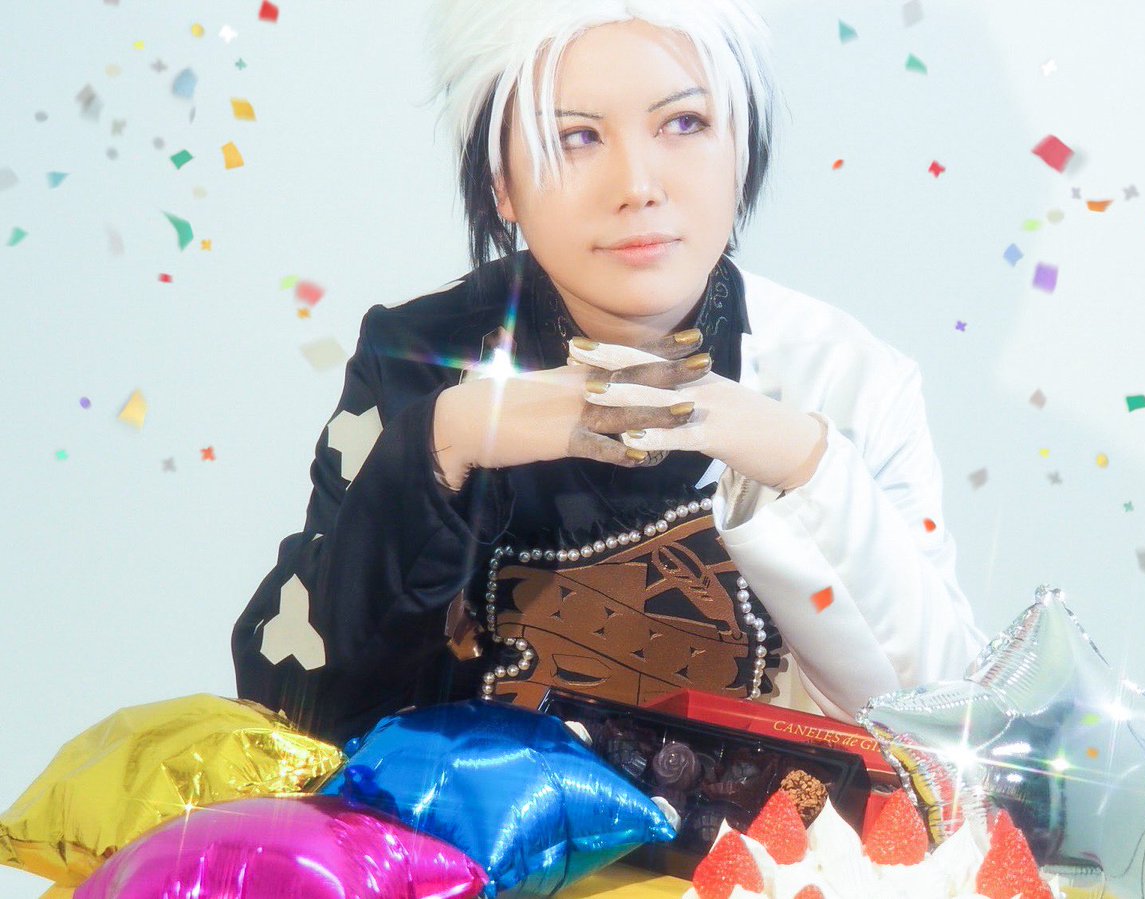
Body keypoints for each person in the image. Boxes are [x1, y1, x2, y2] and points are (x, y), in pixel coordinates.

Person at [232, 0, 987, 747]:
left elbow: (945, 731)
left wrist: (799, 461)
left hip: (769, 834)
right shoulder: (419, 358)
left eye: (684, 123)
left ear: (741, 147)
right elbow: (292, 715)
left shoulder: (847, 378)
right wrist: (442, 444)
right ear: (501, 183)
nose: (638, 185)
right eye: (577, 137)